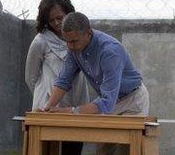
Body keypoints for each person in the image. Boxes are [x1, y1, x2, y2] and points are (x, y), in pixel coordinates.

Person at [44, 11, 149, 155]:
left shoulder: (110, 51)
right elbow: (64, 79)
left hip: (132, 100)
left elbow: (107, 103)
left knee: (126, 150)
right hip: (110, 99)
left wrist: (71, 111)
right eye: (66, 41)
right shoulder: (73, 48)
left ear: (88, 33)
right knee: (104, 150)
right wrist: (48, 109)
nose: (70, 46)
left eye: (74, 41)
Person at [25, 0, 89, 155]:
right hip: (49, 107)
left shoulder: (81, 37)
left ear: (69, 13)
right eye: (51, 20)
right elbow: (31, 77)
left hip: (77, 103)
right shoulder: (41, 41)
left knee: (73, 149)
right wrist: (47, 96)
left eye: (60, 18)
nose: (56, 23)